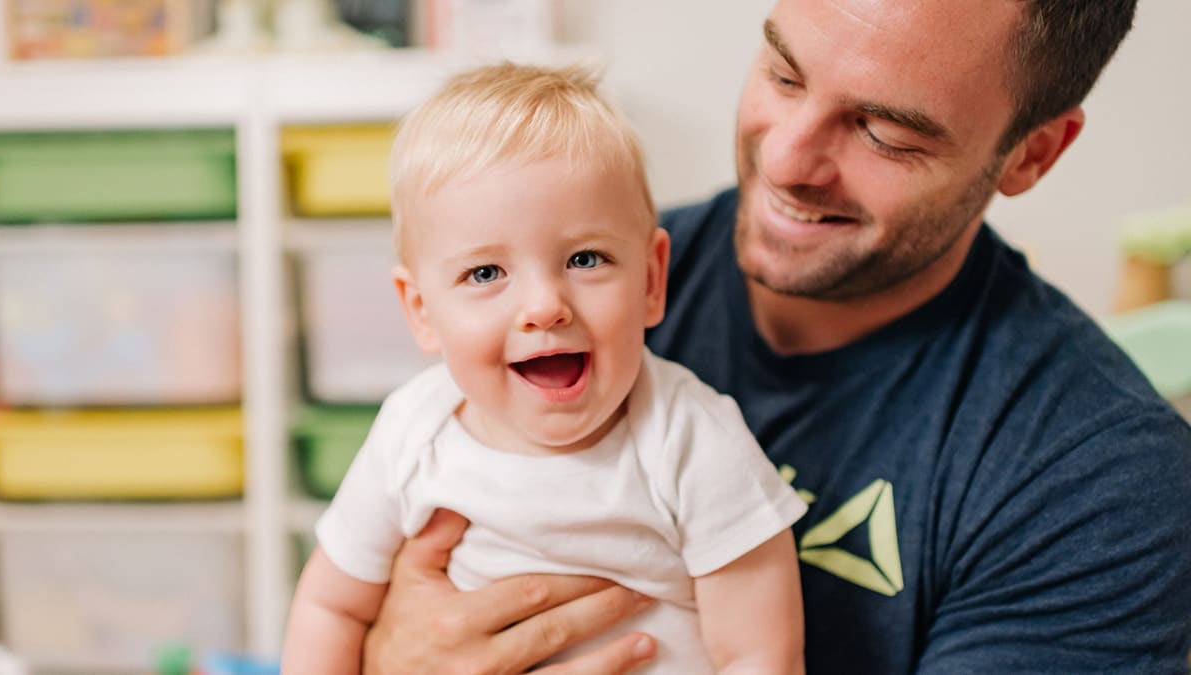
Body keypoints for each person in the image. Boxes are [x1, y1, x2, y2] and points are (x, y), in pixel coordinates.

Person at [358, 0, 1191, 673]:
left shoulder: (1098, 481)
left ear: (1032, 153)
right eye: (785, 74)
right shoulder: (570, 297)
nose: (789, 160)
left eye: (885, 131)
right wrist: (391, 655)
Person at [281, 63, 809, 675]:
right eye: (485, 274)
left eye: (585, 258)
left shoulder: (691, 438)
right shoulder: (412, 434)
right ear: (421, 312)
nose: (542, 307)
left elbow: (759, 655)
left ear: (651, 279)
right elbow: (330, 609)